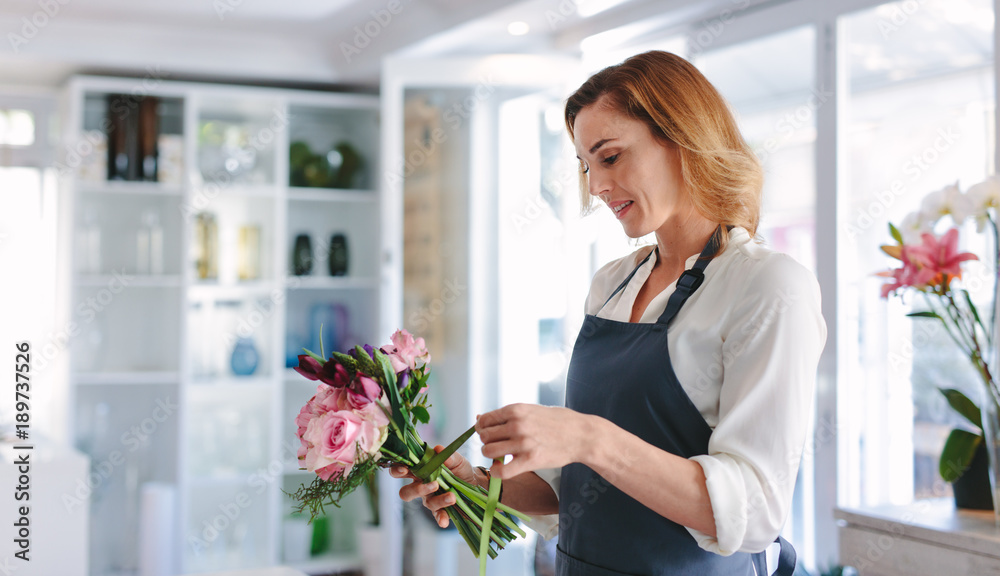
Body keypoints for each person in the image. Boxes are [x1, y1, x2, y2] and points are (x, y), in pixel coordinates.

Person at [391, 50, 826, 576]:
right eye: (586, 165)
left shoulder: (768, 286)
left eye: (611, 157)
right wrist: (476, 484)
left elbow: (754, 510)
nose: (595, 186)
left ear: (682, 137)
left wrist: (588, 436)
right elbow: (576, 485)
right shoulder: (613, 283)